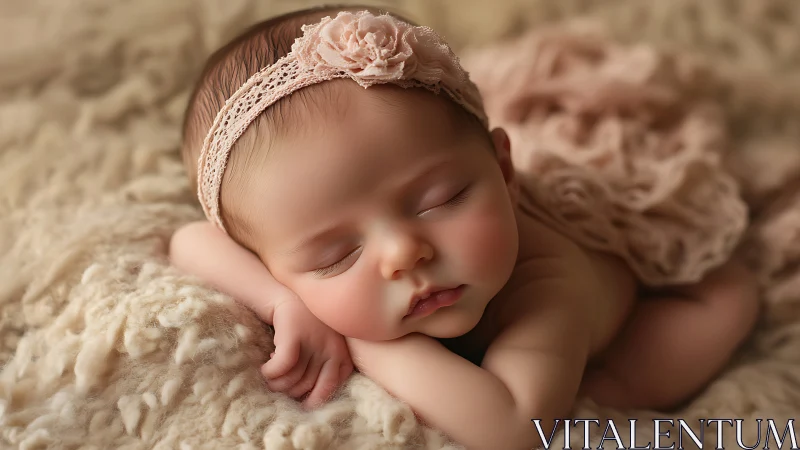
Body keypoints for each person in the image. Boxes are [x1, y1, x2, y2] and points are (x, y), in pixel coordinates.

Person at [169, 5, 760, 449]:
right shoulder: (287, 253)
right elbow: (189, 240)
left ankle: (618, 390)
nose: (404, 252)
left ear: (504, 171)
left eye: (440, 200)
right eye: (335, 255)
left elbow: (509, 425)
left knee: (729, 297)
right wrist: (282, 302)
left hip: (627, 292)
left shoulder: (550, 282)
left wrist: (356, 336)